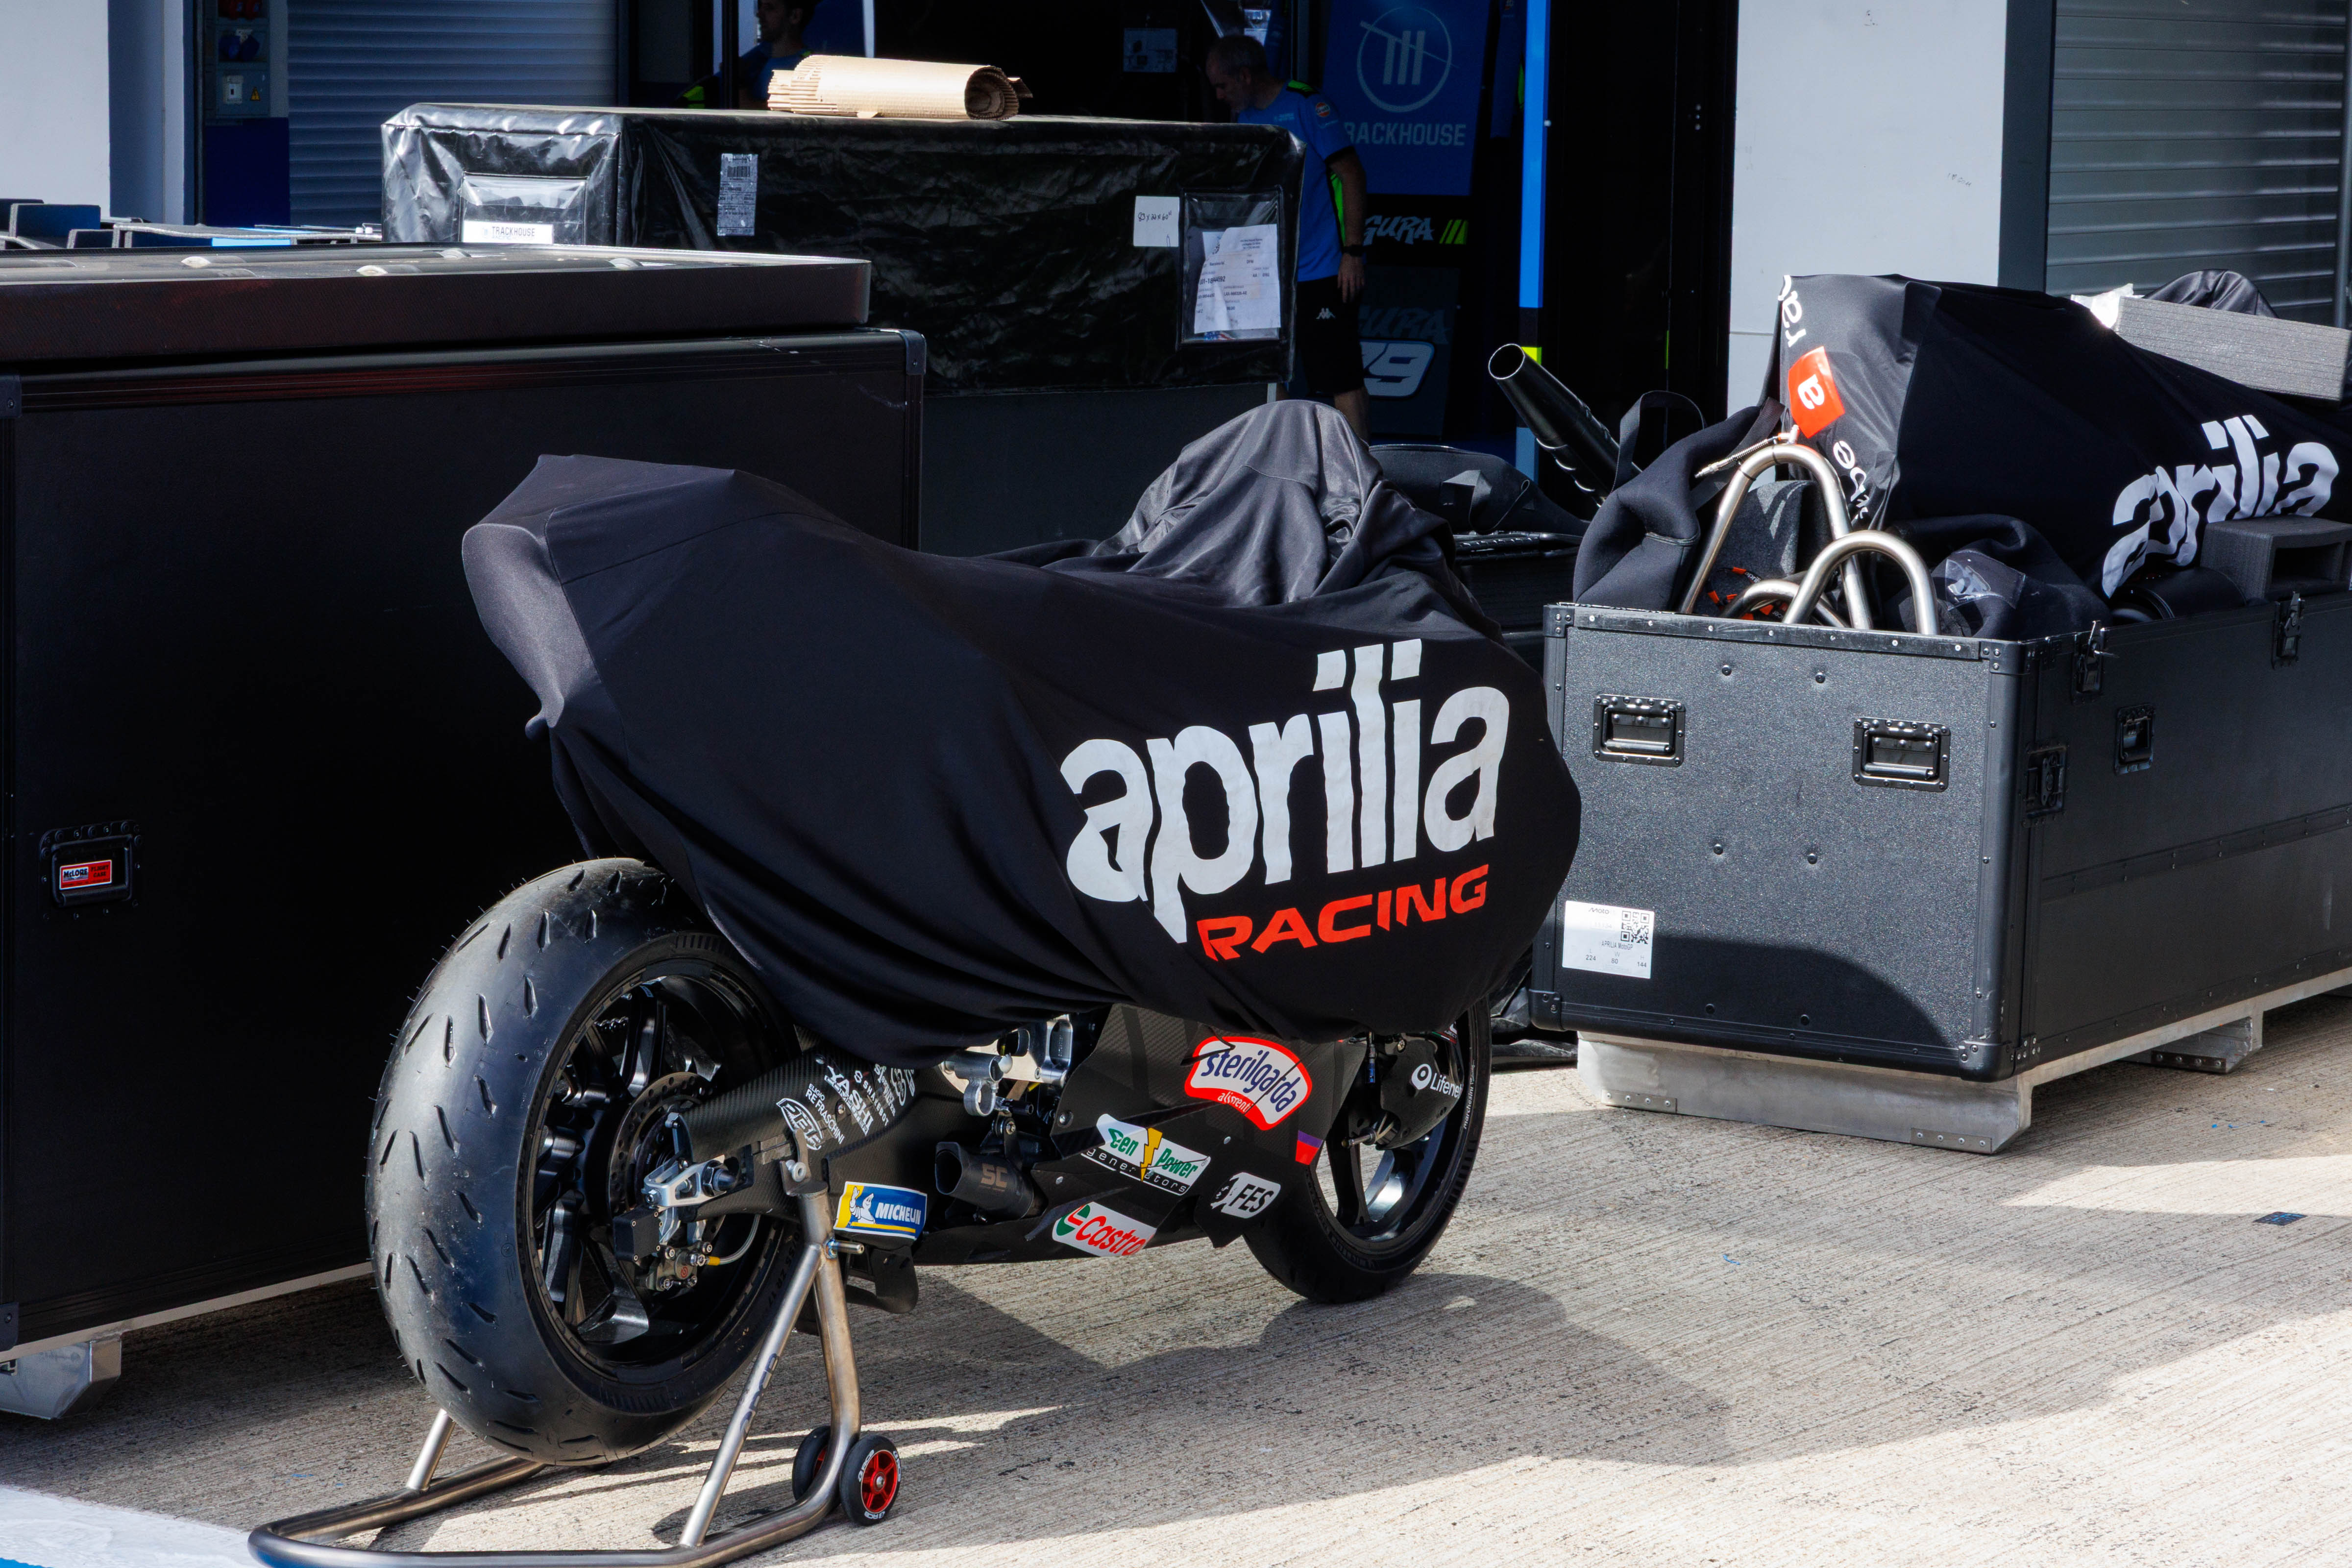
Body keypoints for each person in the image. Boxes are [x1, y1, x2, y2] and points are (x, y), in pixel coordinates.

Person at [1203, 33, 1372, 441]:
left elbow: (1352, 174)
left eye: (1222, 86)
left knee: (1340, 376)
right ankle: (1283, 468)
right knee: (1267, 375)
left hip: (1319, 267)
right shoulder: (1241, 118)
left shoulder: (1306, 105)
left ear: (1245, 76)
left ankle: (1363, 475)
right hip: (1263, 274)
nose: (1219, 95)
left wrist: (1352, 252)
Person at [678, 0, 819, 109]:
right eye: (760, 6)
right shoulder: (758, 59)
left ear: (795, 16)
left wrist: (738, 85)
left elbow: (773, 119)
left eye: (769, 8)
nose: (759, 14)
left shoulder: (806, 70)